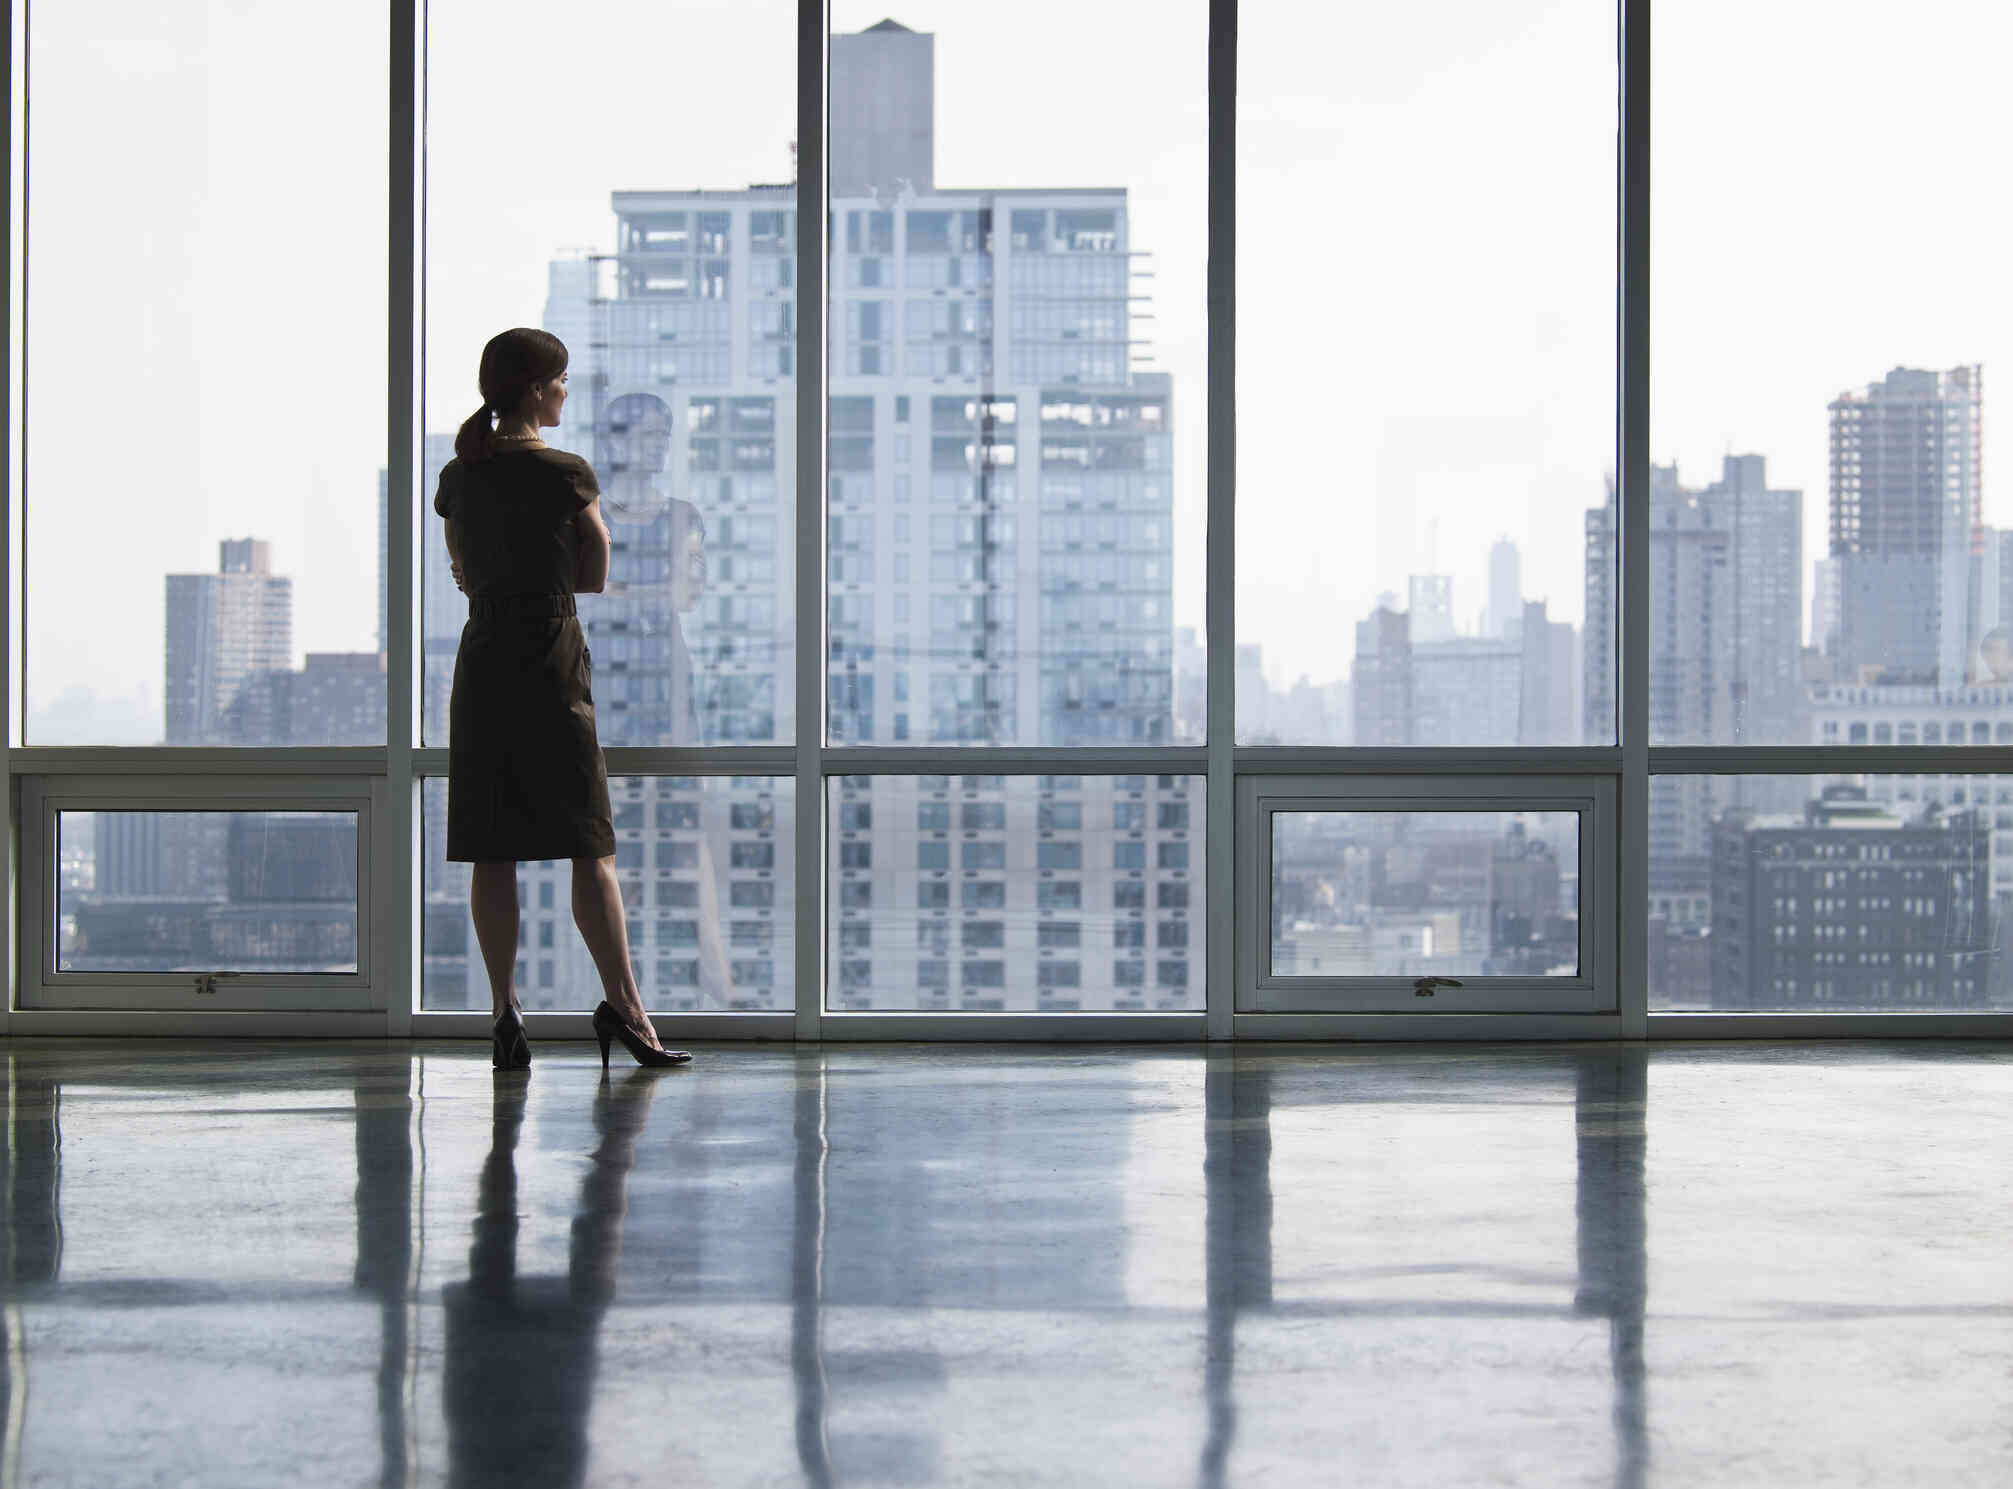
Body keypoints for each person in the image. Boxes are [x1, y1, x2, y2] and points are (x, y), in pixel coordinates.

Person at [435, 327, 690, 1069]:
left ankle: (504, 1008)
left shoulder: (460, 475)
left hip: (484, 659)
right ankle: (628, 1009)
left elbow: (463, 571)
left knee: (493, 850)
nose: (566, 392)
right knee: (589, 845)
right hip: (549, 657)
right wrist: (550, 578)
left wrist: (501, 581)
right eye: (562, 380)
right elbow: (597, 567)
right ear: (536, 388)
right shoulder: (565, 472)